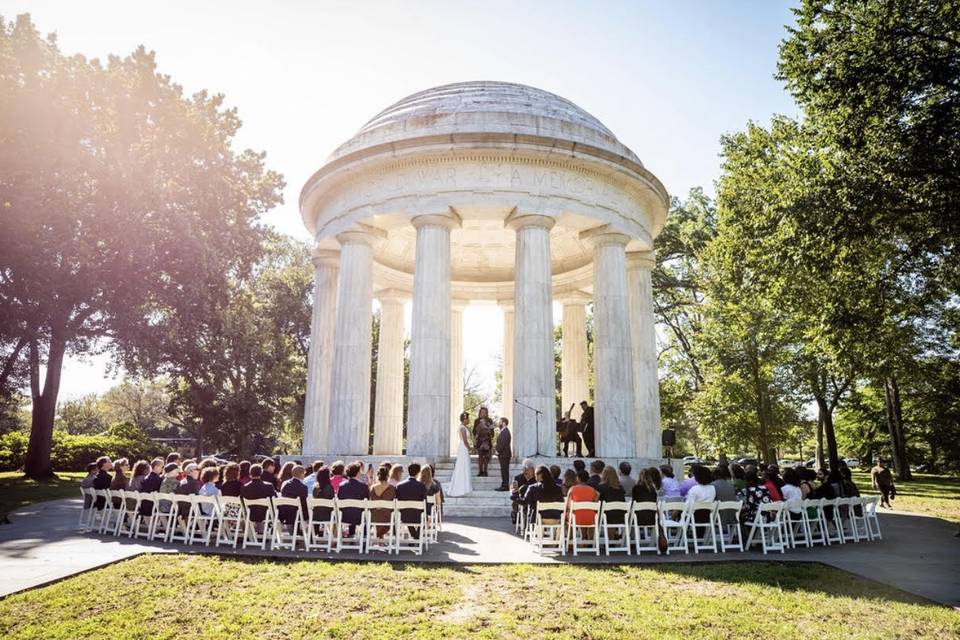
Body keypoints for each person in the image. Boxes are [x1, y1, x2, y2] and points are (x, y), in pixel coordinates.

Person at [395, 462, 427, 538]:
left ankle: (414, 535)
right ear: (419, 472)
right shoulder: (421, 486)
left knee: (407, 512)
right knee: (423, 517)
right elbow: (424, 501)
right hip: (418, 516)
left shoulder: (399, 486)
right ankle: (416, 536)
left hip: (403, 516)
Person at [567, 470, 599, 540]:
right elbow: (595, 504)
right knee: (586, 512)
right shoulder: (593, 490)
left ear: (578, 478)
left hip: (576, 518)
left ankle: (570, 540)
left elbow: (568, 506)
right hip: (591, 518)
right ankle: (587, 540)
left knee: (569, 514)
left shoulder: (572, 489)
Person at [447, 411, 473, 497]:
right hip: (463, 448)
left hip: (463, 448)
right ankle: (460, 487)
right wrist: (470, 449)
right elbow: (465, 441)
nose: (468, 420)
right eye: (467, 418)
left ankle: (465, 487)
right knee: (462, 466)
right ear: (464, 419)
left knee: (464, 465)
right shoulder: (462, 428)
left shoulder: (464, 427)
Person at [369, 465, 397, 539]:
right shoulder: (392, 488)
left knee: (377, 512)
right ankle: (380, 535)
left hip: (373, 517)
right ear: (388, 475)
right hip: (388, 517)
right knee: (391, 514)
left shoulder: (372, 488)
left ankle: (380, 536)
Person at [474, 407, 494, 477]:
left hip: (487, 442)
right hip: (479, 442)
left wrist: (489, 429)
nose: (483, 414)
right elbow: (474, 431)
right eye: (482, 412)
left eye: (485, 412)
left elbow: (492, 433)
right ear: (480, 413)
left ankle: (485, 471)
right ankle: (480, 471)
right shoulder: (476, 421)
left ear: (487, 413)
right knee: (480, 457)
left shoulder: (490, 420)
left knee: (486, 457)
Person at [495, 417, 512, 491]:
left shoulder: (505, 432)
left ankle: (505, 486)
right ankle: (504, 484)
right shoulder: (504, 431)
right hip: (503, 455)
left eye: (500, 422)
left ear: (504, 423)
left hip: (504, 455)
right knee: (503, 470)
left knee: (504, 470)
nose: (499, 423)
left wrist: (497, 451)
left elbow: (503, 443)